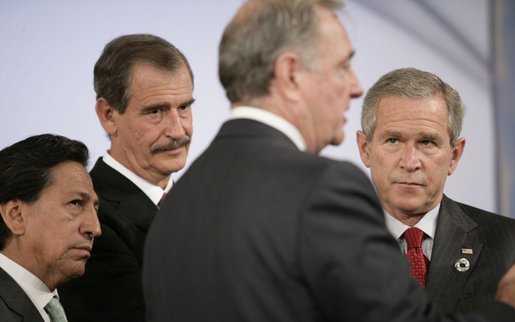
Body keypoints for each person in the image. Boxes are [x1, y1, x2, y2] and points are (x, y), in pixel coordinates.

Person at [143, 0, 515, 321]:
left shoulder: (177, 202)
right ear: (290, 74)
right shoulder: (323, 189)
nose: (354, 86)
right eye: (342, 66)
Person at [58, 34, 195, 321]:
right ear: (108, 115)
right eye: (155, 111)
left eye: (183, 107)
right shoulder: (87, 218)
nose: (178, 130)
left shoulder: (206, 206)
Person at [356, 67, 515, 313]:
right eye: (393, 140)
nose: (410, 162)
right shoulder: (320, 245)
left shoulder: (509, 245)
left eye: (427, 142)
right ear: (365, 149)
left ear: (454, 155)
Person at [0, 134, 101, 322]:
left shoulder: (79, 308)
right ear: (16, 215)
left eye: (95, 208)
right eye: (76, 203)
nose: (95, 228)